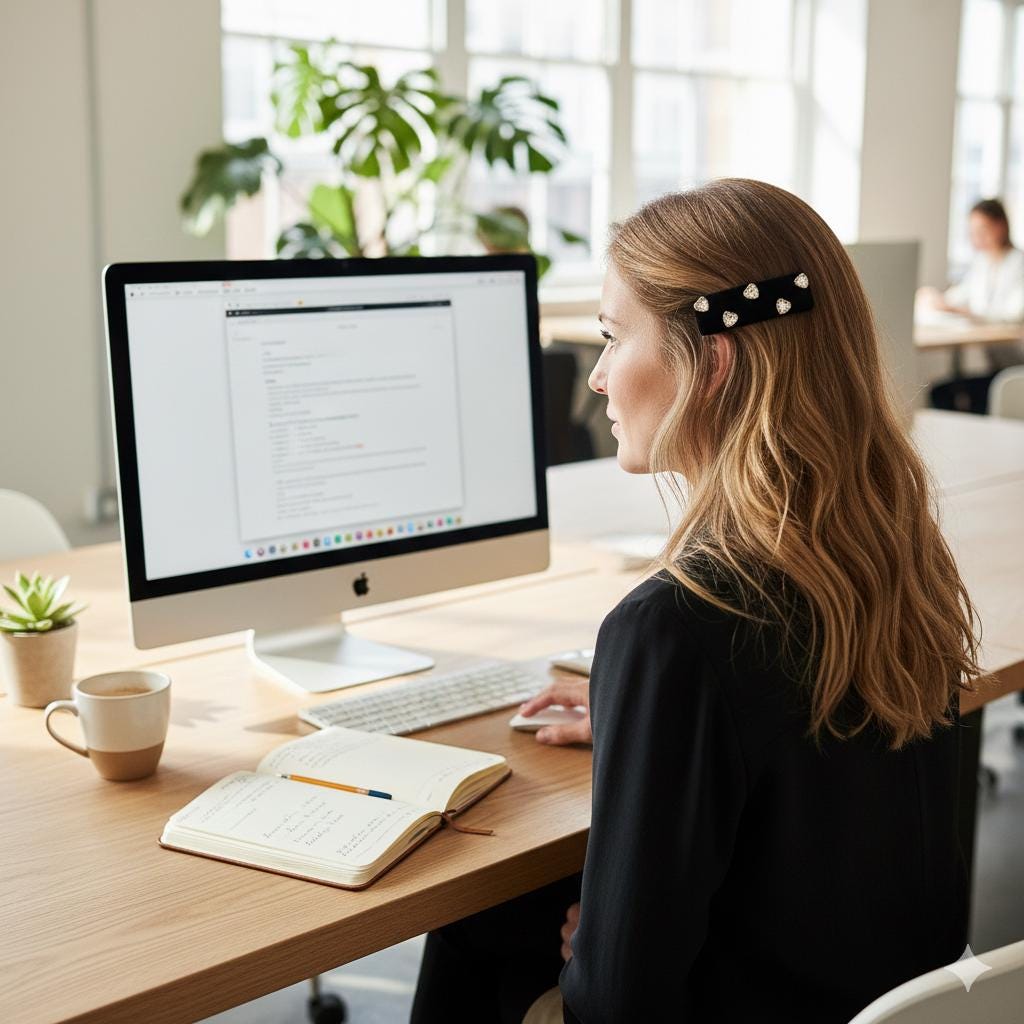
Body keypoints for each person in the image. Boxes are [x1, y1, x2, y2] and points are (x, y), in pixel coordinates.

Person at [410, 179, 982, 1024]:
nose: (596, 378)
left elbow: (616, 1004)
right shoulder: (894, 556)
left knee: (473, 925)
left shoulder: (674, 627)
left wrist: (593, 948)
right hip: (872, 1002)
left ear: (710, 362)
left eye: (612, 338)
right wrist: (655, 726)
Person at [920, 197, 1024, 413]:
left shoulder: (1018, 263)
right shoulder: (982, 263)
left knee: (947, 394)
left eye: (982, 229)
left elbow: (1014, 315)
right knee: (941, 392)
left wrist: (965, 312)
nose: (976, 237)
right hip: (997, 369)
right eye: (973, 231)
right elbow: (958, 296)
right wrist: (936, 299)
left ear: (1001, 226)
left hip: (1015, 370)